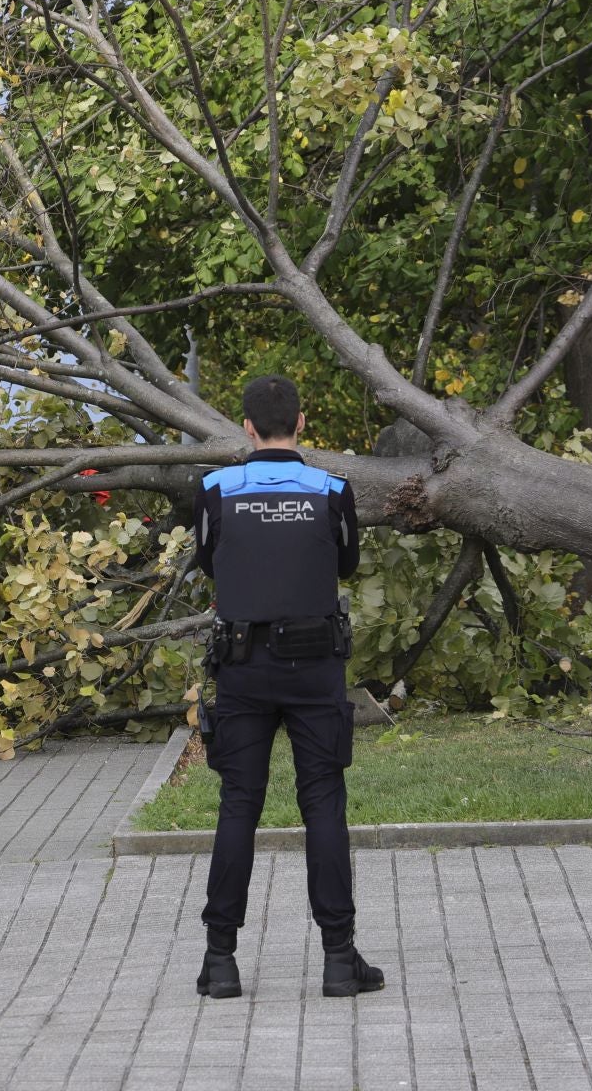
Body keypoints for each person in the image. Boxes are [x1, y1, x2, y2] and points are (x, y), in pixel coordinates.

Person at [192, 375, 381, 1001]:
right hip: (314, 666)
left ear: (246, 427)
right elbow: (346, 564)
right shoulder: (332, 491)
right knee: (323, 802)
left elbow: (209, 561)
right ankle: (337, 958)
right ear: (300, 423)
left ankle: (220, 961)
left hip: (243, 669)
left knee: (239, 804)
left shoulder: (216, 490)